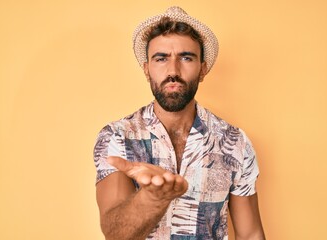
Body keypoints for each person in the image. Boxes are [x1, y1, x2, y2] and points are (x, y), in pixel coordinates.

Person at [93, 6, 265, 240]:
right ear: (147, 69)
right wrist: (153, 198)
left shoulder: (234, 142)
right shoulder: (118, 136)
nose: (173, 71)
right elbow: (115, 233)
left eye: (186, 57)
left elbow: (250, 234)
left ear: (203, 68)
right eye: (161, 58)